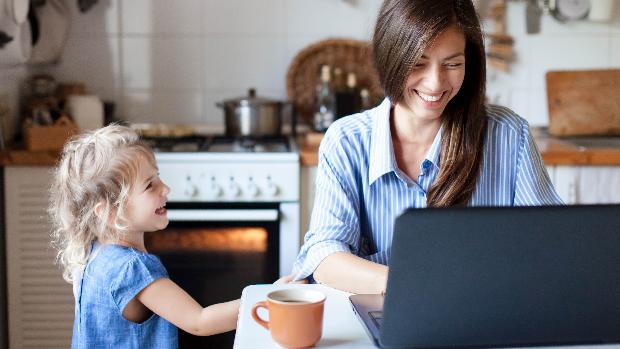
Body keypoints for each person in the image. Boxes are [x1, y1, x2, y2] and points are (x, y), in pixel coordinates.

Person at [292, 0, 563, 294]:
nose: (435, 84)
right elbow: (325, 255)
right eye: (418, 63)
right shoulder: (346, 141)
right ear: (390, 57)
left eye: (452, 64)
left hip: (485, 316)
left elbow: (550, 244)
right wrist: (410, 285)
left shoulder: (509, 135)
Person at [49, 125, 296, 348]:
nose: (165, 188)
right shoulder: (133, 270)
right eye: (149, 185)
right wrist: (270, 299)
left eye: (158, 177)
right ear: (111, 212)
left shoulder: (94, 255)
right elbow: (199, 321)